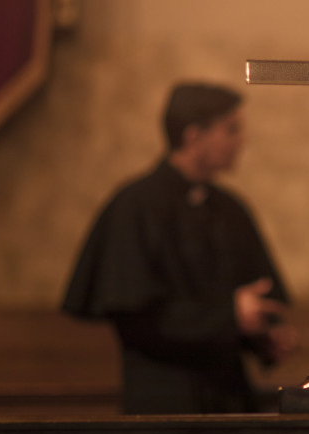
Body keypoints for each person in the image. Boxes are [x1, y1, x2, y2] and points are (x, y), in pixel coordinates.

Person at [63, 82, 296, 414]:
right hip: (163, 406)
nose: (241, 140)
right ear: (194, 136)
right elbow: (138, 319)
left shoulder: (231, 209)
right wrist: (230, 316)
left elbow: (252, 300)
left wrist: (265, 337)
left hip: (229, 402)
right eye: (231, 129)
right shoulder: (134, 207)